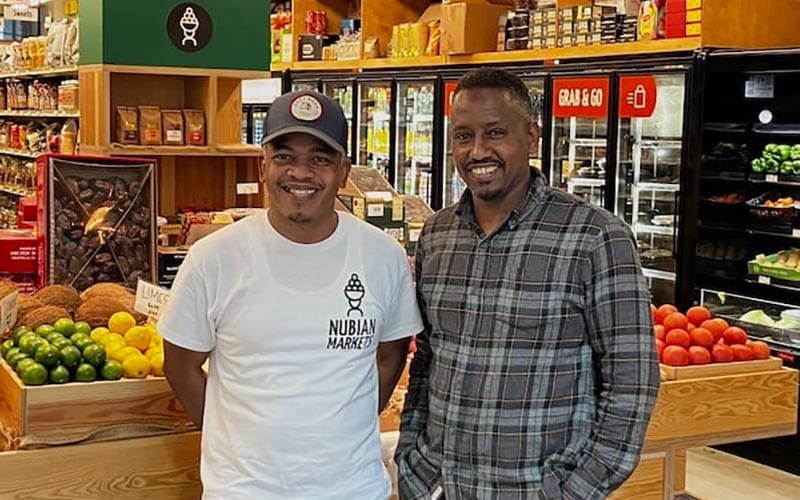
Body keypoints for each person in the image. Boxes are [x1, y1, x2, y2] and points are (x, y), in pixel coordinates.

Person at [395, 68, 659, 499]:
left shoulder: (595, 237)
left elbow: (632, 381)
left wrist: (572, 491)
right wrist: (413, 461)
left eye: (495, 133)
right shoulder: (438, 234)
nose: (478, 150)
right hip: (442, 486)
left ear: (532, 137)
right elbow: (427, 359)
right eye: (463, 136)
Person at [159, 90, 423, 499]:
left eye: (320, 158)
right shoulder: (214, 257)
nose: (301, 173)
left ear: (343, 170)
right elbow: (179, 364)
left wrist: (345, 425)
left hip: (352, 489)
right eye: (285, 156)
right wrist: (235, 444)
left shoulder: (383, 256)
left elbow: (391, 354)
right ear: (263, 165)